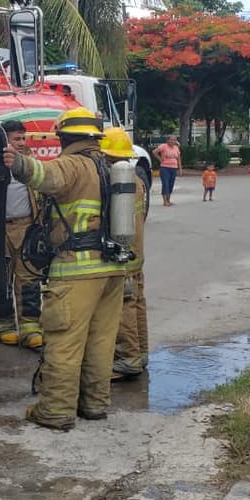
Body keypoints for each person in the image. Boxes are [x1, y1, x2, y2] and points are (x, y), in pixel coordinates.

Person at [3, 108, 128, 431]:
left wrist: (16, 162)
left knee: (63, 342)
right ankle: (94, 404)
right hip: (112, 270)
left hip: (77, 271)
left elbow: (45, 176)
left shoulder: (73, 164)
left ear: (65, 137)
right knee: (100, 343)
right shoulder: (109, 166)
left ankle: (56, 411)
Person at [101, 127, 149, 380]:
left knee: (124, 306)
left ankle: (127, 358)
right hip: (136, 253)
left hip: (124, 256)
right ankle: (141, 353)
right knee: (137, 303)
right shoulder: (138, 180)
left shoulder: (118, 180)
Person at [0, 120, 43, 350]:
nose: (21, 143)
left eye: (23, 138)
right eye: (16, 138)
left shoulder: (32, 163)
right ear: (5, 140)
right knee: (2, 280)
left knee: (29, 278)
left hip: (26, 227)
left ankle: (31, 327)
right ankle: (5, 325)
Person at [153, 135, 181, 206]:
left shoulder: (176, 148)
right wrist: (160, 159)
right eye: (171, 140)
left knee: (171, 184)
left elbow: (178, 159)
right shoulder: (163, 146)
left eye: (174, 140)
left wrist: (180, 169)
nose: (172, 141)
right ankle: (165, 201)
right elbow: (154, 152)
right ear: (168, 140)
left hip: (174, 167)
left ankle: (168, 200)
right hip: (165, 167)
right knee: (165, 184)